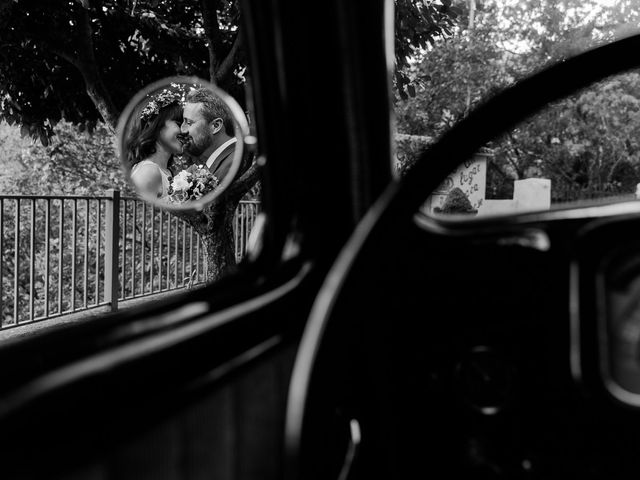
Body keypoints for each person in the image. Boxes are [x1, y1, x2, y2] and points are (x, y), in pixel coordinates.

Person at [127, 89, 184, 199]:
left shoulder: (166, 172)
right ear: (155, 124)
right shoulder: (148, 171)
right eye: (178, 124)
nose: (185, 131)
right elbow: (142, 215)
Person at [181, 87, 238, 182]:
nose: (182, 130)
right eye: (183, 121)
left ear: (215, 126)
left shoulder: (233, 164)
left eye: (189, 123)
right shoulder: (224, 161)